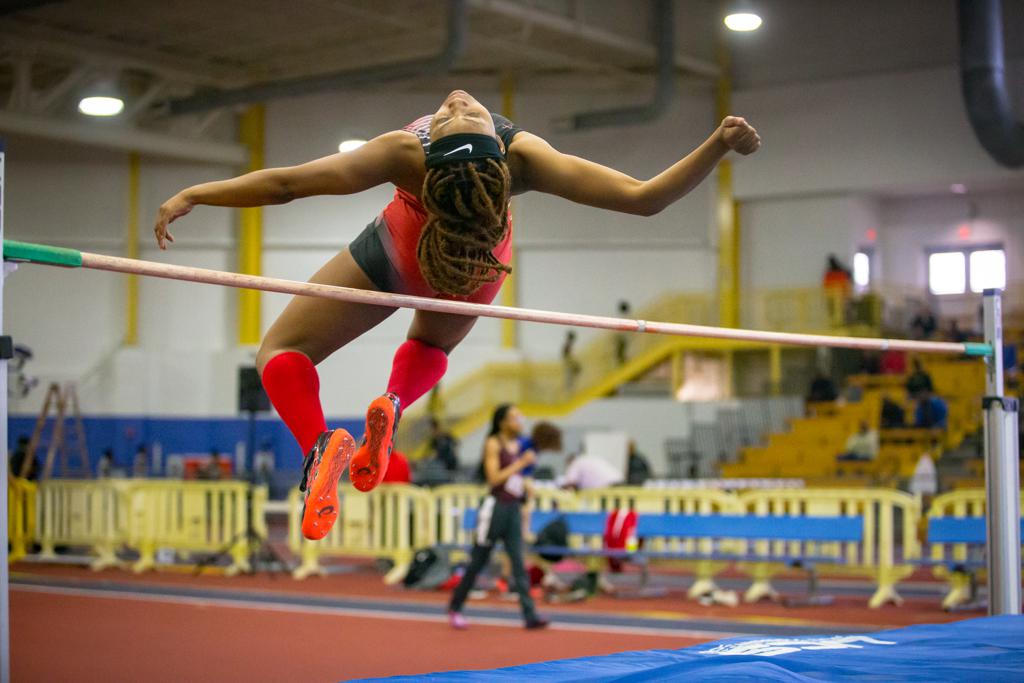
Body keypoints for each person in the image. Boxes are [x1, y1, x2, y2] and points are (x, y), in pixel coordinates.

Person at [153, 90, 760, 541]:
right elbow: (642, 198)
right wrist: (718, 147)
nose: (457, 104)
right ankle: (392, 404)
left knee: (281, 351)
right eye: (454, 116)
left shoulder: (401, 151)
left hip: (400, 247)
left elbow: (289, 184)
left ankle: (319, 448)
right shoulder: (525, 156)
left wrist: (198, 193)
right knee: (433, 348)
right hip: (474, 265)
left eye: (457, 116)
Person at [448, 404, 548, 630]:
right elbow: (494, 478)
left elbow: (514, 477)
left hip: (512, 507)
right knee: (478, 560)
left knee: (518, 561)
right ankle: (455, 607)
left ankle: (530, 614)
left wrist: (525, 485)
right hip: (495, 509)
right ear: (502, 421)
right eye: (514, 417)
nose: (519, 420)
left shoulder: (517, 445)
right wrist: (520, 464)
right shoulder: (494, 443)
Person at [560, 452, 624, 491]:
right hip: (621, 483)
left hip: (607, 488)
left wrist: (560, 488)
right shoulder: (588, 459)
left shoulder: (575, 464)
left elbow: (571, 484)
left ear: (569, 462)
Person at [822, 255, 852, 326]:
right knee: (833, 312)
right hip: (832, 297)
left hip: (841, 296)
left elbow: (845, 284)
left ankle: (842, 324)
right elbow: (826, 285)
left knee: (842, 312)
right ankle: (835, 325)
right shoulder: (829, 274)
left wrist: (846, 295)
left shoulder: (840, 272)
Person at [615, 300, 631, 365]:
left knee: (626, 351)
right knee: (622, 352)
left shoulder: (627, 317)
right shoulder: (626, 317)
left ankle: (625, 361)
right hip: (623, 337)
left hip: (624, 337)